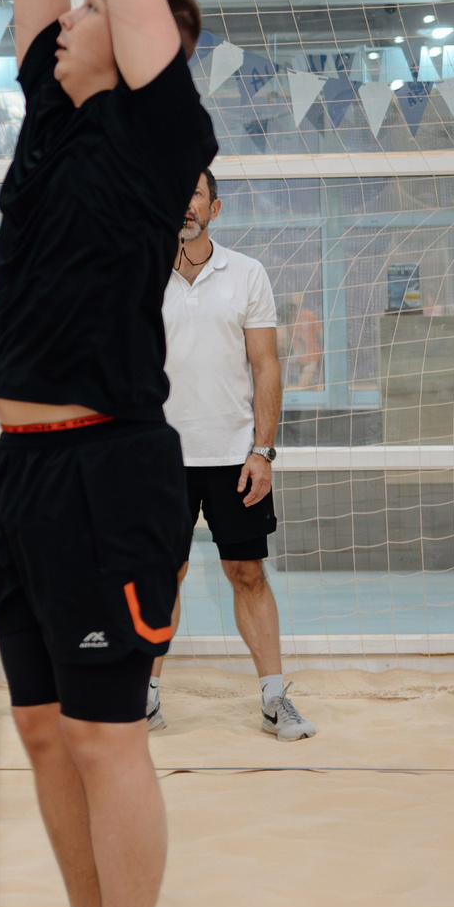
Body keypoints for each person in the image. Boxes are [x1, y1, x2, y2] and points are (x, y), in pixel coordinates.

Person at [0, 0, 216, 907]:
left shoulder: (153, 128)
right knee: (43, 733)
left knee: (108, 732)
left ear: (132, 42)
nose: (66, 12)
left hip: (107, 464)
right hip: (21, 465)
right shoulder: (54, 123)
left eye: (91, 15)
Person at [147, 169, 314, 741]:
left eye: (192, 194)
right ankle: (144, 701)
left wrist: (262, 452)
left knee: (246, 572)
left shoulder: (247, 274)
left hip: (233, 455)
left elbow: (267, 365)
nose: (182, 205)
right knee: (161, 576)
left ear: (213, 208)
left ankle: (273, 700)